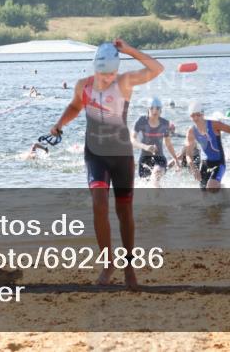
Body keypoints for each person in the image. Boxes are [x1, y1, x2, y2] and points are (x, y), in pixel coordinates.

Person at [49, 39, 163, 288]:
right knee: (99, 204)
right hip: (96, 154)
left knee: (124, 212)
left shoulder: (124, 82)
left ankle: (129, 267)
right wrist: (59, 125)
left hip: (121, 155)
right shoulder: (83, 86)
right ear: (95, 69)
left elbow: (157, 69)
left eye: (112, 72)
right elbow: (74, 106)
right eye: (103, 73)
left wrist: (130, 50)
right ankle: (107, 263)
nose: (108, 77)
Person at [184, 101, 230, 192]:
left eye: (198, 115)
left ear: (203, 114)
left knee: (211, 187)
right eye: (193, 115)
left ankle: (221, 190)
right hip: (205, 163)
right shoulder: (191, 131)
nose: (196, 118)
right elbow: (188, 154)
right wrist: (194, 168)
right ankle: (221, 190)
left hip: (219, 162)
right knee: (204, 194)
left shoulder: (214, 124)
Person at [132, 97, 178, 184]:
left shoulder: (165, 123)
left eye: (157, 108)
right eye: (152, 107)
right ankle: (164, 197)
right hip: (144, 159)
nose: (155, 110)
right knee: (148, 190)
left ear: (161, 110)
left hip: (159, 158)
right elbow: (132, 140)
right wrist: (145, 147)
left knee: (155, 179)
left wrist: (175, 158)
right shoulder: (141, 121)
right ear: (148, 109)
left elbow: (168, 143)